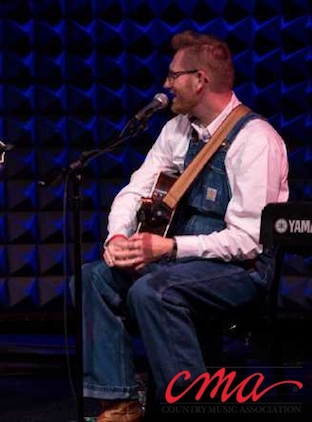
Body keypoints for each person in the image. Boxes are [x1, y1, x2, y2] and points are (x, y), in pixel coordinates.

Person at [77, 30, 289, 421]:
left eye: (174, 76)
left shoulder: (257, 141)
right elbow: (133, 190)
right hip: (182, 262)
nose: (166, 84)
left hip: (240, 270)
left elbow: (248, 241)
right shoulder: (177, 130)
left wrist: (171, 248)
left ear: (200, 80)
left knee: (153, 291)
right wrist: (119, 236)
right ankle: (120, 402)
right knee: (95, 277)